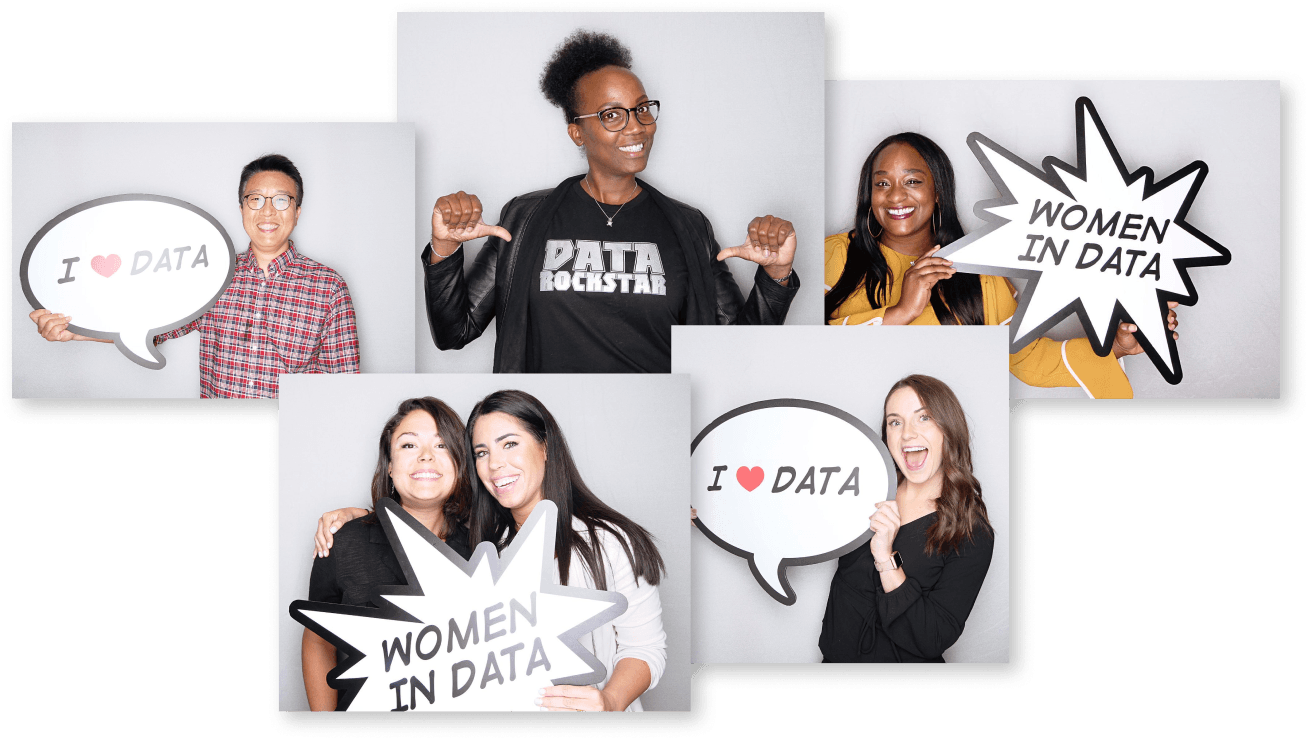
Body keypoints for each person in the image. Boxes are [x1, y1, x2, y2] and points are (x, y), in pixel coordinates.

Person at [420, 30, 800, 373]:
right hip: (546, 421)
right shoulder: (524, 219)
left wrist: (776, 276)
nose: (636, 126)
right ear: (577, 133)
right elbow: (455, 331)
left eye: (642, 109)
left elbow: (734, 350)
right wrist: (445, 248)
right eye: (612, 115)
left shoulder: (688, 226)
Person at [313, 389, 669, 711]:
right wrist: (363, 516)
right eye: (482, 452)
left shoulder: (607, 541)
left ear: (545, 446)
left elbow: (645, 648)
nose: (495, 463)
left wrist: (610, 700)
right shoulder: (484, 545)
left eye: (510, 444)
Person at [825, 133, 1179, 399]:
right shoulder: (835, 256)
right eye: (881, 183)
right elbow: (808, 346)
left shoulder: (979, 274)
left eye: (913, 181)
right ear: (868, 195)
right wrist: (902, 311)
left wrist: (1114, 346)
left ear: (938, 191)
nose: (896, 195)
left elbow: (1029, 359)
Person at [30, 154, 360, 398]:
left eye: (282, 200)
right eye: (255, 199)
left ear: (298, 211)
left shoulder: (328, 286)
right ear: (242, 208)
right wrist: (76, 332)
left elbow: (345, 389)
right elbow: (152, 327)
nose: (268, 211)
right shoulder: (213, 272)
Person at [301, 397, 474, 712]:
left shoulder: (483, 549)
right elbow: (317, 637)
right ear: (390, 467)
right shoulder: (344, 541)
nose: (425, 457)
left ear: (460, 464)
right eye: (409, 446)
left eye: (441, 446)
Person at [819, 375, 993, 663]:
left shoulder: (972, 532)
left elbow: (933, 638)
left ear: (949, 429)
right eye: (895, 422)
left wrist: (885, 558)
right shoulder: (865, 490)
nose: (908, 434)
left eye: (924, 418)